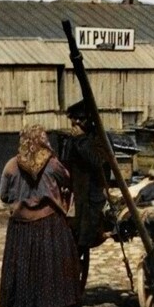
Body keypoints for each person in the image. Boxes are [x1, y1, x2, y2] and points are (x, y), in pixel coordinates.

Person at [0, 125, 82, 307]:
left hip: (21, 223)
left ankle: (27, 306)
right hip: (49, 220)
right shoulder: (52, 164)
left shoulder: (11, 165)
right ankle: (54, 304)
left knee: (25, 265)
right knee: (53, 263)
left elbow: (3, 195)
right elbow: (68, 181)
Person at [63, 100, 111, 249]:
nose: (76, 123)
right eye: (74, 119)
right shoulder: (72, 138)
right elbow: (67, 161)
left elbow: (97, 161)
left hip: (93, 192)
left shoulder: (100, 137)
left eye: (80, 119)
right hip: (76, 190)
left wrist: (81, 140)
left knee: (87, 232)